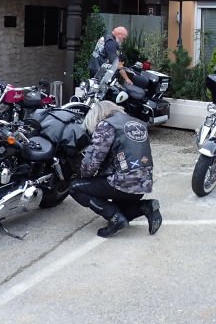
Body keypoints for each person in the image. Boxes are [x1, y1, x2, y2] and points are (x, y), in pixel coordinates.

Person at [69, 100, 162, 238]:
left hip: (122, 184)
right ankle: (146, 206)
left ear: (97, 115)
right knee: (122, 211)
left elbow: (93, 162)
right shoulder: (137, 123)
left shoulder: (107, 125)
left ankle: (115, 219)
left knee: (75, 187)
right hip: (143, 184)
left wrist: (82, 175)